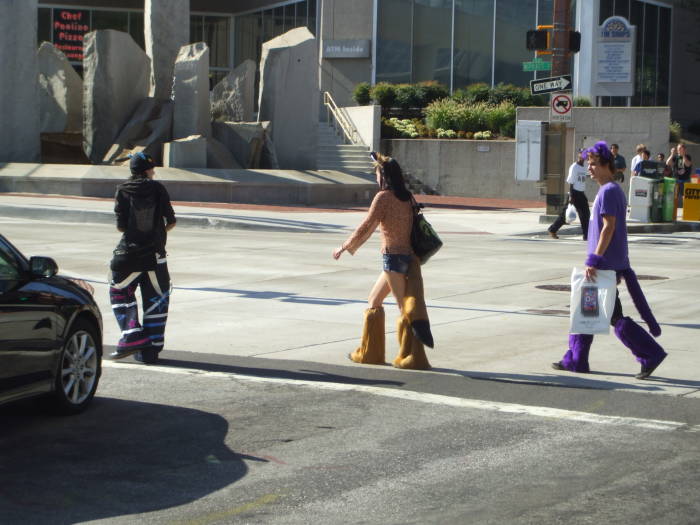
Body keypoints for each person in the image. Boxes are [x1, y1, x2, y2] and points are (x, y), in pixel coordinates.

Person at [551, 141, 667, 380]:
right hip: (606, 264)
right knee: (587, 312)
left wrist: (594, 259)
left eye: (593, 165)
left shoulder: (610, 191)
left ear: (606, 165)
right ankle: (576, 359)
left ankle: (650, 354)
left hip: (604, 266)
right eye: (590, 164)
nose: (590, 169)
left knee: (609, 316)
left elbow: (609, 227)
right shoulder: (608, 190)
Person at [333, 152, 432, 370]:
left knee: (403, 307)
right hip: (408, 257)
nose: (376, 177)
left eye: (377, 173)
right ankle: (370, 353)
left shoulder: (383, 198)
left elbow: (367, 225)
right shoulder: (406, 196)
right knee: (374, 301)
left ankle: (413, 357)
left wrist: (345, 246)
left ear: (383, 176)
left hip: (393, 258)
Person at [109, 152, 176, 363]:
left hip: (127, 255)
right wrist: (158, 233)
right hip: (155, 256)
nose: (154, 173)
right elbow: (171, 221)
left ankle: (131, 334)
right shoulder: (158, 189)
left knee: (119, 291)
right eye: (152, 170)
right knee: (157, 299)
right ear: (147, 170)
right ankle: (150, 351)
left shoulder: (122, 190)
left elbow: (121, 226)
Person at [548, 148, 590, 240]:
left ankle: (586, 235)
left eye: (586, 154)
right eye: (582, 153)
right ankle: (552, 229)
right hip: (574, 193)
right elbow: (571, 182)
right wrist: (571, 196)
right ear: (578, 154)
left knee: (585, 214)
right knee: (566, 215)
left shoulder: (584, 167)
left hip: (581, 194)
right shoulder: (574, 167)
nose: (584, 155)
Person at [666, 143, 693, 207]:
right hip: (676, 179)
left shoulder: (688, 156)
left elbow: (687, 164)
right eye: (678, 149)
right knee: (674, 195)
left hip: (685, 179)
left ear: (684, 149)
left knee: (685, 196)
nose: (678, 150)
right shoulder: (675, 157)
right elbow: (668, 163)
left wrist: (683, 155)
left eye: (680, 149)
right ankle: (674, 212)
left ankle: (686, 210)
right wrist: (672, 154)